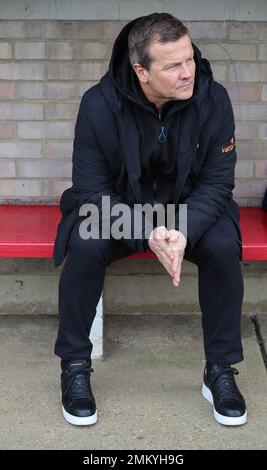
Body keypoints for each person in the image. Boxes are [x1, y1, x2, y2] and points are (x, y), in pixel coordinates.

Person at [53, 13, 247, 427]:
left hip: (189, 211)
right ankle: (74, 366)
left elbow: (217, 184)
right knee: (84, 242)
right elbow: (91, 190)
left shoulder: (214, 99)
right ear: (141, 71)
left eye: (189, 58)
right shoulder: (98, 104)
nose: (187, 72)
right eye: (173, 65)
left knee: (223, 245)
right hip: (121, 211)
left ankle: (219, 371)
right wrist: (147, 230)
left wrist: (180, 230)